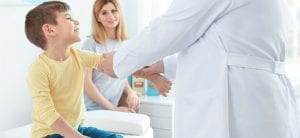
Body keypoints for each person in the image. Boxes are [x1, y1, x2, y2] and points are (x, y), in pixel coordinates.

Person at [101, 0, 300, 138]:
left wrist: (119, 61)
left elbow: (171, 28)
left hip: (238, 105)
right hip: (263, 100)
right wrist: (163, 65)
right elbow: (222, 49)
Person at [25, 1, 122, 138]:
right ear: (50, 30)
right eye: (69, 18)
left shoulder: (78, 56)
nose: (77, 22)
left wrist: (150, 74)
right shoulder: (39, 69)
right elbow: (49, 115)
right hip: (49, 134)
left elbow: (109, 62)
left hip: (77, 128)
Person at [82, 0, 172, 113]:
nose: (111, 16)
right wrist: (113, 109)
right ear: (98, 18)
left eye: (113, 11)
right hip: (93, 109)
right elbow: (87, 84)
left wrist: (130, 92)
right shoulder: (91, 44)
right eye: (104, 13)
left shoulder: (124, 43)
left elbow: (121, 75)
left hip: (113, 107)